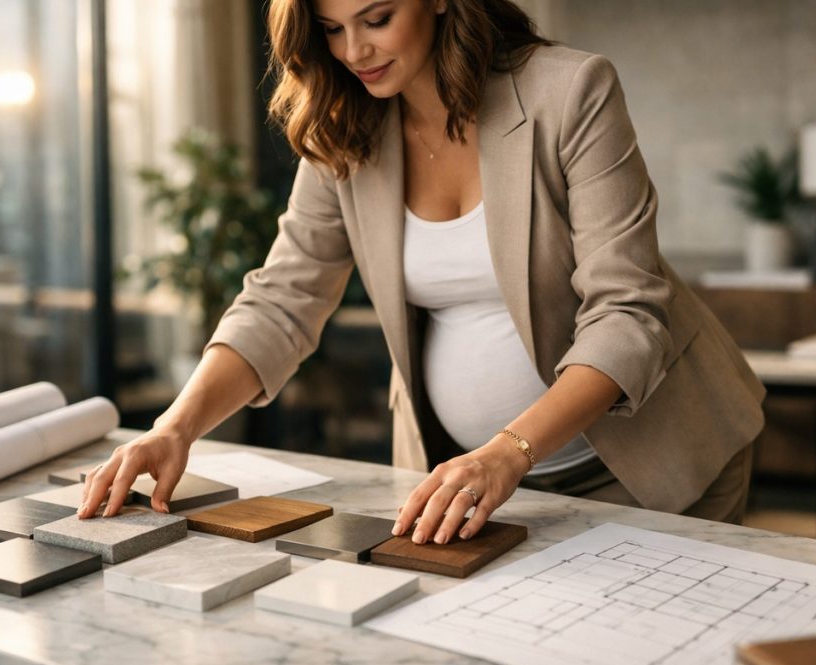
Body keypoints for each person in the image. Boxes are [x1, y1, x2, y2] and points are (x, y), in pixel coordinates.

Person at [79, 0, 765, 546]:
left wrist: (509, 450)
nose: (354, 52)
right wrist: (175, 427)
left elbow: (626, 314)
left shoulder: (570, 92)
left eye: (377, 19)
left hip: (652, 462)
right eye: (332, 29)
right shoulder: (343, 123)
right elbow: (282, 300)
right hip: (473, 487)